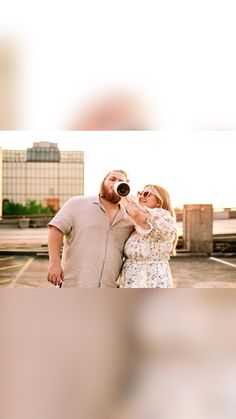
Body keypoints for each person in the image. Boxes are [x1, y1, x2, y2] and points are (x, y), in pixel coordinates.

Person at [47, 170, 134, 288]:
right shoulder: (77, 203)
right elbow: (55, 229)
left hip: (108, 287)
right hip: (74, 284)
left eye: (120, 181)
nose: (115, 183)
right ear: (103, 183)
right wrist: (54, 263)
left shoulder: (129, 218)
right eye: (112, 179)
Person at [118, 184, 178, 288]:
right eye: (140, 193)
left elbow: (136, 213)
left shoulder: (163, 217)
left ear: (159, 200)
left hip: (151, 282)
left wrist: (123, 195)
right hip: (131, 281)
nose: (141, 196)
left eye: (146, 193)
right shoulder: (136, 224)